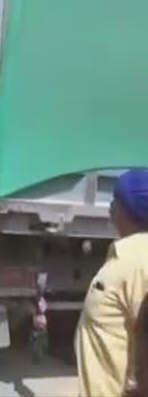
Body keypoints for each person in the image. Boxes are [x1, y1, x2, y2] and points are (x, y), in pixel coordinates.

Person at [76, 169, 148, 397]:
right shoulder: (125, 257)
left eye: (116, 200)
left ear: (130, 210)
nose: (110, 206)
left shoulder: (135, 265)